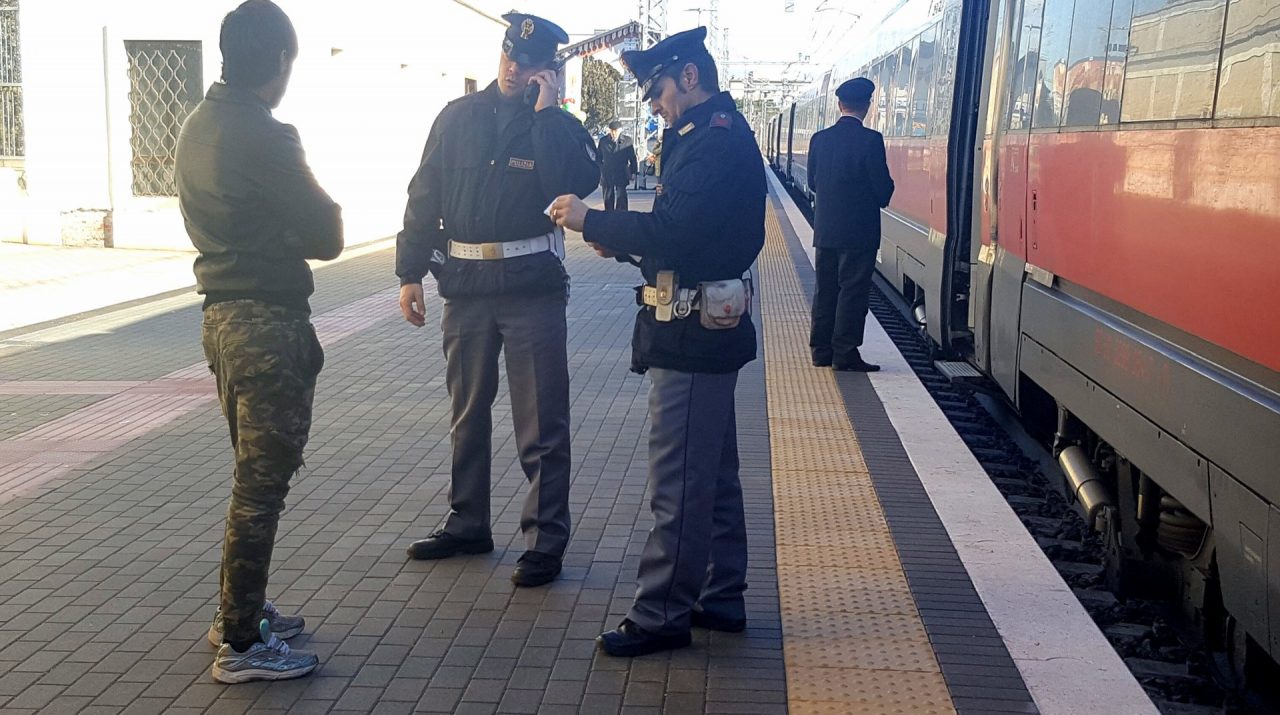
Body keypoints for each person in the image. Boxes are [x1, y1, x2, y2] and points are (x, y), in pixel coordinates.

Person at [550, 26, 765, 658]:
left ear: (689, 78)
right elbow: (687, 237)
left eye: (658, 90)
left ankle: (662, 611)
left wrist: (594, 219)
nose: (654, 104)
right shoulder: (705, 137)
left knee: (678, 480)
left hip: (694, 335)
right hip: (695, 325)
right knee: (714, 477)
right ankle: (721, 596)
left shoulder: (714, 143)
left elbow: (676, 229)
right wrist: (623, 243)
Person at [396, 12, 599, 587]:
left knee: (541, 423)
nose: (516, 70)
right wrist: (410, 272)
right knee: (467, 414)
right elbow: (423, 194)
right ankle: (468, 522)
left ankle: (545, 539)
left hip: (530, 290)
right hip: (465, 289)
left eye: (531, 66)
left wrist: (548, 117)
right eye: (511, 57)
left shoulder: (556, 126)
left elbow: (573, 183)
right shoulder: (456, 118)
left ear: (549, 74)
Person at [176, 0, 342, 683]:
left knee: (252, 478)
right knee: (260, 486)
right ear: (278, 59)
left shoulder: (196, 123)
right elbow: (329, 233)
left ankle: (238, 610)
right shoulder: (267, 135)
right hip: (266, 326)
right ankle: (242, 644)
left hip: (219, 318)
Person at [807, 77, 895, 372]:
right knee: (852, 292)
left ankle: (821, 350)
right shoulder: (871, 141)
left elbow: (812, 183)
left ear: (839, 105)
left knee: (826, 289)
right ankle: (844, 352)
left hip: (826, 230)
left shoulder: (819, 139)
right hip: (859, 233)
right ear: (867, 106)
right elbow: (882, 192)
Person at [598, 119, 638, 210]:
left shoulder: (627, 141)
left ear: (620, 130)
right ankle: (609, 214)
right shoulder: (603, 141)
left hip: (621, 171)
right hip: (607, 171)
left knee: (621, 195)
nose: (614, 133)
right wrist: (600, 169)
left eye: (616, 130)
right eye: (612, 130)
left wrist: (633, 172)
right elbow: (598, 157)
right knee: (608, 195)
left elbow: (632, 157)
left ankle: (622, 215)